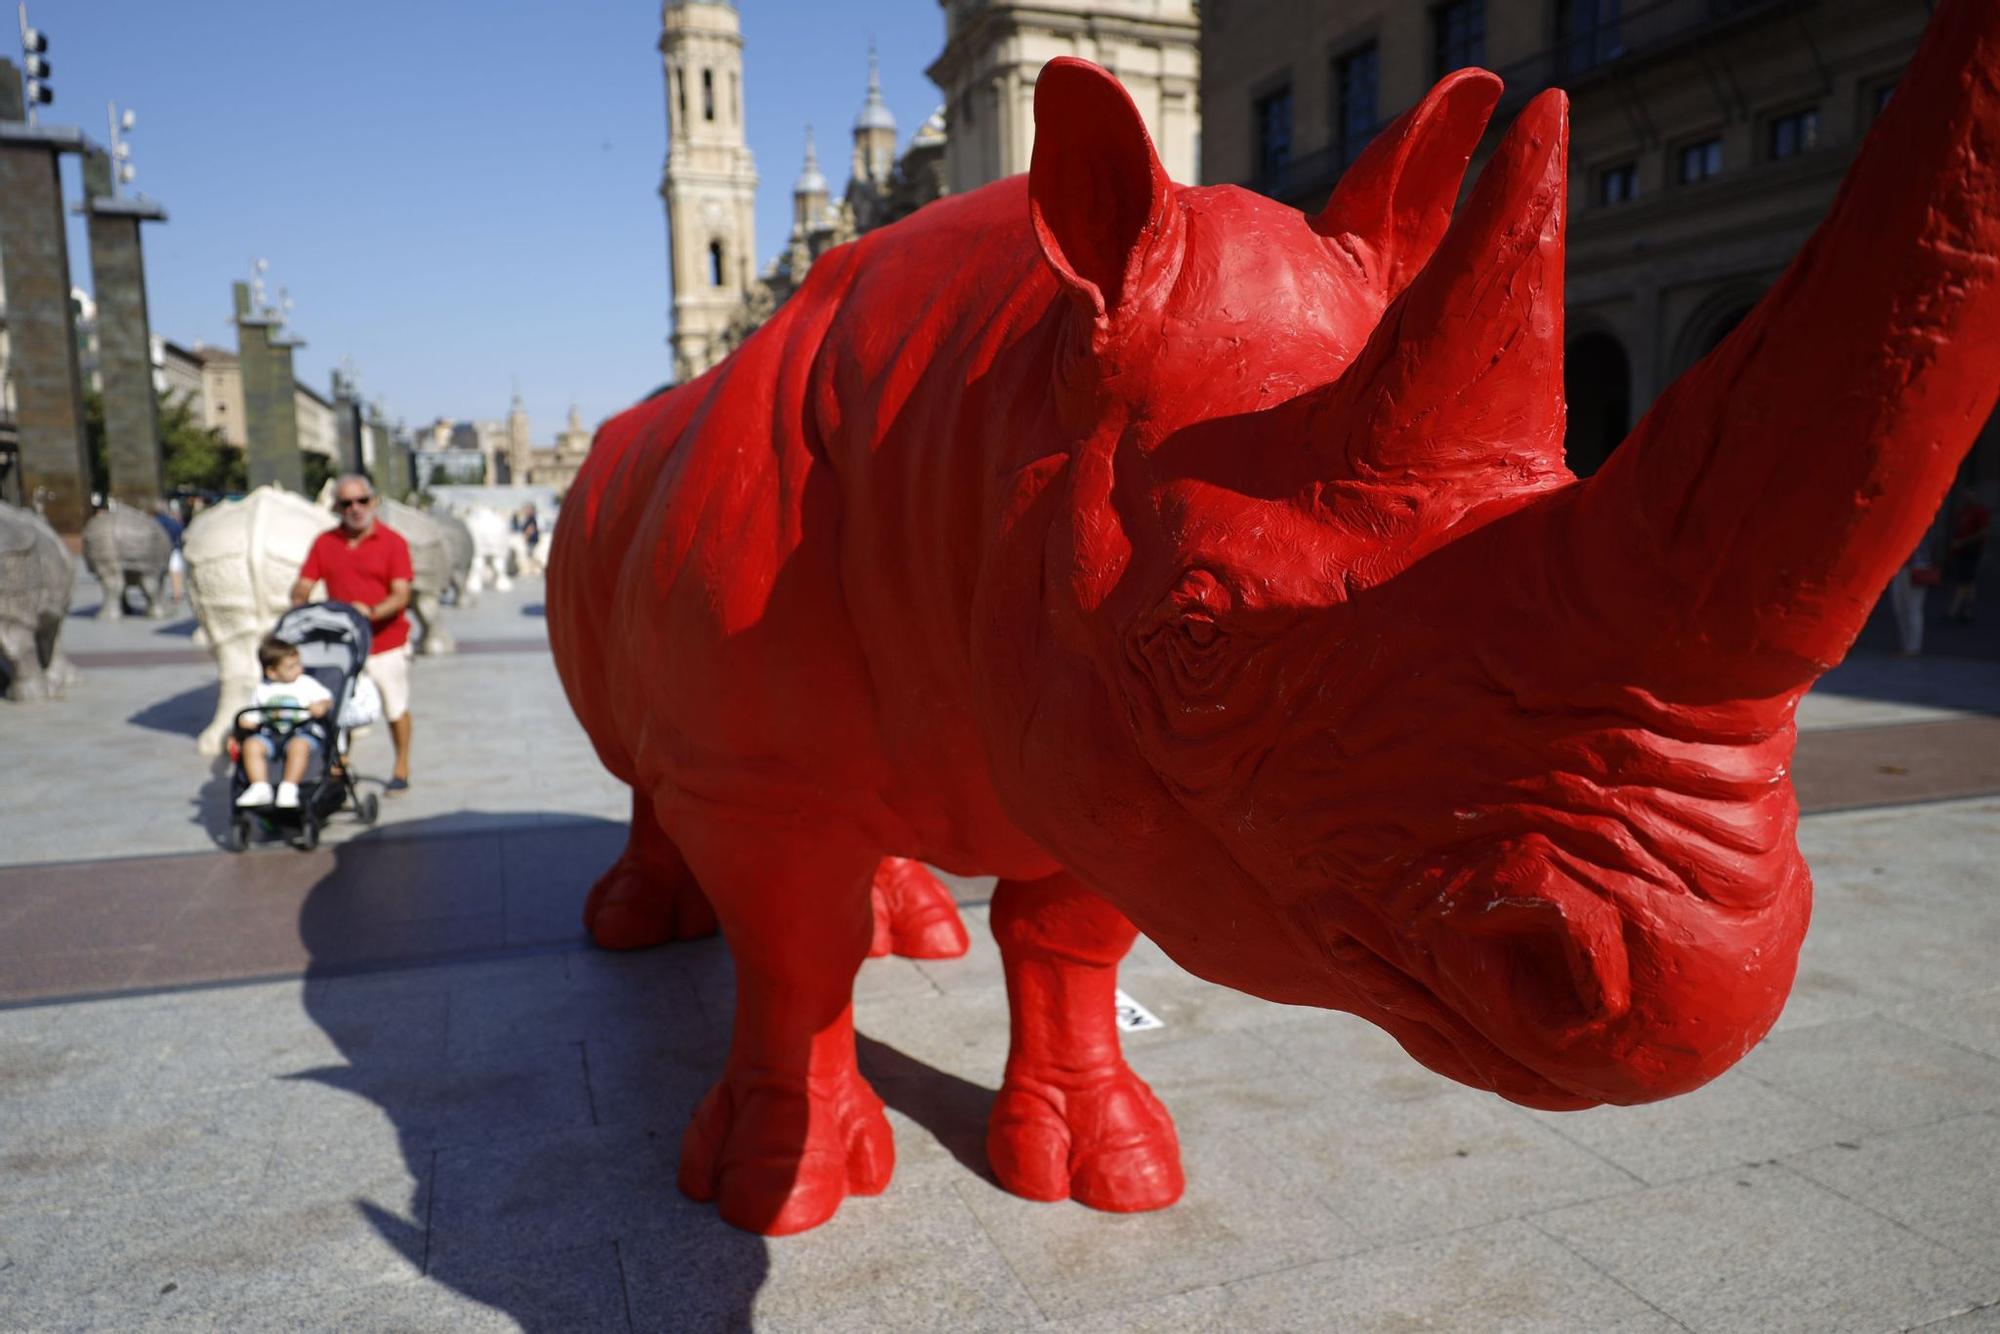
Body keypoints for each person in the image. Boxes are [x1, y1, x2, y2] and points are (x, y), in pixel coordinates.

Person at [291, 474, 416, 793]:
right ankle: (339, 763)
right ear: (337, 507)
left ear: (373, 502)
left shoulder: (392, 543)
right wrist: (301, 599)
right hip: (341, 644)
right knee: (336, 706)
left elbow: (401, 595)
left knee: (394, 705)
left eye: (362, 501)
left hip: (385, 640)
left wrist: (370, 613)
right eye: (347, 503)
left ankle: (401, 764)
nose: (356, 509)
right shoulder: (325, 542)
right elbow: (304, 583)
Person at [237, 635, 332, 809]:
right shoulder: (262, 689)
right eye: (291, 667)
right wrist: (247, 722)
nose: (299, 669)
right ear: (272, 672)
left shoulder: (305, 683)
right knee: (251, 745)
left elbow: (326, 699)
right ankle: (260, 786)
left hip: (302, 731)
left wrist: (321, 705)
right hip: (270, 733)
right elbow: (255, 714)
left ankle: (289, 787)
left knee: (298, 746)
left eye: (298, 664)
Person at [1945, 486, 1990, 623]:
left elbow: (1983, 532)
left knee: (1964, 580)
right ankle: (1968, 611)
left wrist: (1963, 542)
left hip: (1971, 549)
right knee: (1969, 581)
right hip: (1962, 549)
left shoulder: (1979, 511)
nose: (1966, 497)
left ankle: (1953, 610)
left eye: (1969, 494)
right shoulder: (1963, 511)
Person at [155, 502, 186, 607]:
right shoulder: (173, 521)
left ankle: (160, 595)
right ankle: (177, 593)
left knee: (162, 574)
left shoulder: (156, 520)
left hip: (161, 550)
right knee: (176, 572)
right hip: (174, 548)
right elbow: (180, 532)